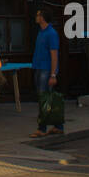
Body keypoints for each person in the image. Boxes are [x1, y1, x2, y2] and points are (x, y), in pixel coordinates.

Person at [29, 7, 62, 138]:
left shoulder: (51, 34)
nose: (36, 17)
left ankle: (42, 128)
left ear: (43, 17)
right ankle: (58, 126)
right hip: (39, 67)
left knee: (44, 99)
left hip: (46, 69)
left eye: (38, 14)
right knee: (49, 98)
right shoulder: (41, 32)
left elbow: (54, 55)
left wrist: (53, 74)